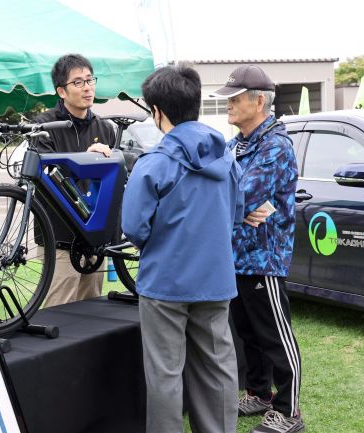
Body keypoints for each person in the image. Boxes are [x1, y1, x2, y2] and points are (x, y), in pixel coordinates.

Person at [122, 65, 242, 433]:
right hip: (215, 278)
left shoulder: (154, 163)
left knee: (165, 374)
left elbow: (133, 227)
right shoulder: (228, 158)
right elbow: (235, 216)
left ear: (157, 111)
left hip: (165, 283)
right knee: (218, 368)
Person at [210, 64, 303, 433]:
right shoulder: (237, 144)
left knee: (275, 337)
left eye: (234, 99)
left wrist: (240, 207)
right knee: (248, 334)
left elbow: (242, 196)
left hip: (264, 260)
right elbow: (224, 192)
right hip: (237, 256)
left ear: (259, 101)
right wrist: (239, 209)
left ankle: (289, 412)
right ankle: (260, 394)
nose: (228, 105)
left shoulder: (275, 145)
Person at [33, 53, 115, 308]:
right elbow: (46, 175)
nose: (87, 87)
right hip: (58, 235)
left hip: (93, 236)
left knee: (93, 309)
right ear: (61, 91)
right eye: (78, 82)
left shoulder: (104, 128)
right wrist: (84, 160)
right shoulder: (44, 125)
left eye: (90, 80)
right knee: (58, 309)